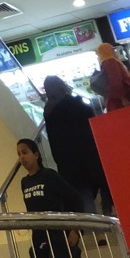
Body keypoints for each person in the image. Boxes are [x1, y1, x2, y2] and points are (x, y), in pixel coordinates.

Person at [43, 76, 111, 213]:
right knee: (101, 188)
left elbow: (54, 142)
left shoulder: (49, 111)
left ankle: (93, 222)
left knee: (82, 197)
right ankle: (107, 212)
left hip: (68, 165)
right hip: (89, 158)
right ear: (62, 85)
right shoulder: (78, 105)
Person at [17, 137, 84, 258]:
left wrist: (76, 230)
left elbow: (76, 199)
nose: (22, 157)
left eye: (25, 152)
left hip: (58, 234)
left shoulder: (49, 175)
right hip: (38, 235)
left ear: (36, 154)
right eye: (19, 154)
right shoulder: (24, 182)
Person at [95, 44, 130, 112]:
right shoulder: (112, 61)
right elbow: (116, 81)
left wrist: (122, 98)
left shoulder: (109, 62)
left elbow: (115, 82)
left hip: (118, 100)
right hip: (122, 98)